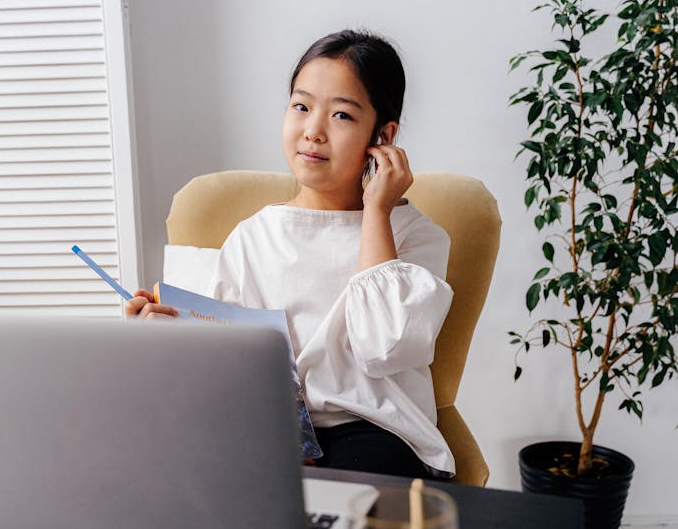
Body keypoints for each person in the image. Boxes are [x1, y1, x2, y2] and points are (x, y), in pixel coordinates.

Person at [128, 29, 455, 478]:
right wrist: (162, 334)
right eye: (301, 107)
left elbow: (385, 348)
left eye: (341, 115)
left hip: (376, 431)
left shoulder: (418, 236)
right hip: (271, 428)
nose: (313, 132)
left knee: (345, 494)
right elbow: (224, 360)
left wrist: (377, 212)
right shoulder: (255, 235)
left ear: (383, 136)